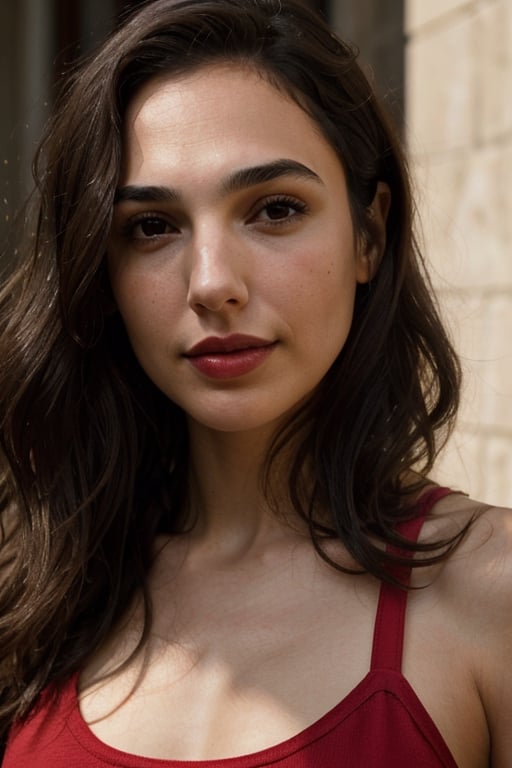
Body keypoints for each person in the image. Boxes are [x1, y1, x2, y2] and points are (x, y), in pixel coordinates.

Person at [0, 0, 511, 765]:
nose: (212, 283)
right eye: (152, 227)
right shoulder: (36, 587)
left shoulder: (490, 593)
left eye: (274, 210)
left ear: (369, 233)